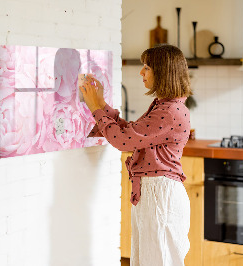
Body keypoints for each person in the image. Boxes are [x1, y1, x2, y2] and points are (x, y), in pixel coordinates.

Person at [80, 44, 192, 266]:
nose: (141, 72)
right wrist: (101, 104)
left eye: (147, 67)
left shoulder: (169, 111)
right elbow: (131, 133)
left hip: (160, 195)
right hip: (155, 193)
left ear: (163, 72)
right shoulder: (165, 106)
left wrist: (95, 108)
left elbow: (123, 141)